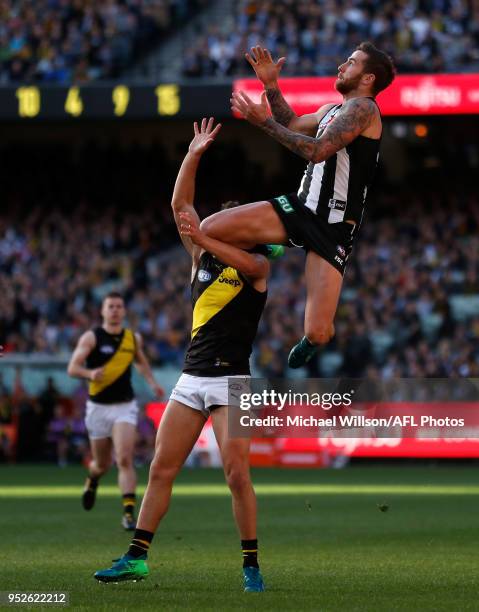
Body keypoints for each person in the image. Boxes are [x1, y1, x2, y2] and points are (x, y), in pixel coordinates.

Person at [94, 118, 282, 592]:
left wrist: (202, 236)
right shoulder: (201, 257)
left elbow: (222, 245)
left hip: (233, 383)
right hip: (191, 379)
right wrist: (194, 152)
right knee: (160, 468)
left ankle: (251, 565)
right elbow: (180, 206)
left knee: (236, 474)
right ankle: (136, 558)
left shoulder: (256, 265)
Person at [201, 42, 396, 369]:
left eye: (350, 62)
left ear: (368, 78)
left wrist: (263, 123)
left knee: (319, 333)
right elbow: (291, 125)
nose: (341, 67)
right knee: (210, 228)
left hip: (333, 228)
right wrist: (271, 86)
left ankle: (311, 340)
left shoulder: (365, 109)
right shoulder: (330, 110)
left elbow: (317, 151)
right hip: (300, 209)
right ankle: (268, 247)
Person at [67, 292, 164, 530]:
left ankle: (128, 514)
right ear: (102, 311)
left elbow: (141, 361)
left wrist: (152, 382)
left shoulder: (132, 339)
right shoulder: (91, 337)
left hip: (124, 406)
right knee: (102, 464)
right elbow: (73, 367)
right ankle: (92, 480)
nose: (115, 310)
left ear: (124, 311)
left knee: (124, 458)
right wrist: (90, 374)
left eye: (119, 306)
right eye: (110, 306)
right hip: (98, 408)